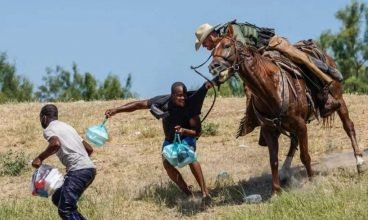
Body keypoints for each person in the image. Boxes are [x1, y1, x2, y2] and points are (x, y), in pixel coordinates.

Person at [194, 20, 341, 117]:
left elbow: (243, 52)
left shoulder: (230, 31)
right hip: (259, 58)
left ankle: (326, 79)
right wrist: (217, 79)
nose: (205, 46)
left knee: (300, 59)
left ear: (211, 36)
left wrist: (225, 73)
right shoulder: (219, 48)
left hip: (271, 45)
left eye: (204, 42)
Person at [105, 81, 215, 202]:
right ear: (172, 95)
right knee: (167, 164)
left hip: (187, 137)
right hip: (170, 140)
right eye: (179, 95)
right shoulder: (163, 101)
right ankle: (188, 193)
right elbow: (139, 105)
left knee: (189, 157)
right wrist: (116, 110)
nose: (182, 98)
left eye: (184, 94)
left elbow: (197, 133)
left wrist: (183, 131)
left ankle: (205, 193)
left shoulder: (190, 106)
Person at [32, 104, 96, 220]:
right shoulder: (68, 127)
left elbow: (55, 144)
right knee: (58, 197)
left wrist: (40, 158)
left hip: (79, 170)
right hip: (90, 169)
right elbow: (89, 149)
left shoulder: (49, 128)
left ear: (44, 117)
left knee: (65, 209)